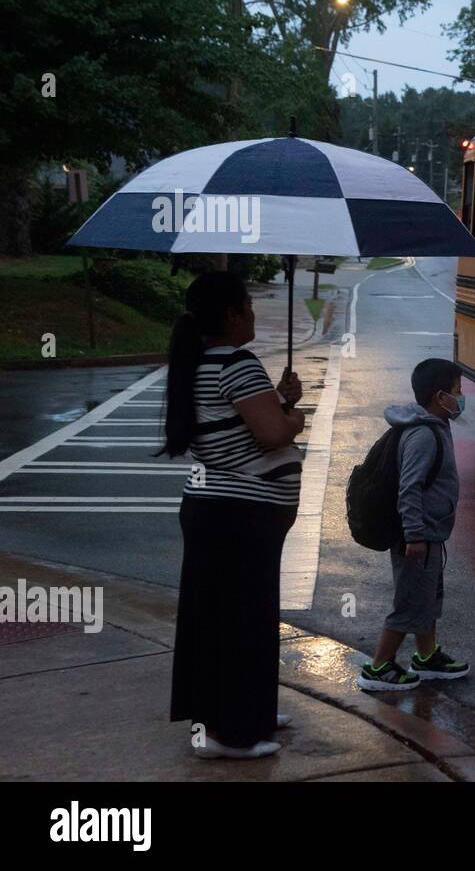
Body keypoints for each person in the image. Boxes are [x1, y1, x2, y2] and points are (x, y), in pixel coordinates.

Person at [165, 271, 306, 759]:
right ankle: (230, 735)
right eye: (248, 305)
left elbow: (243, 425)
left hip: (219, 512)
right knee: (243, 621)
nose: (253, 312)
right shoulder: (238, 363)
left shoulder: (199, 361)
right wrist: (295, 417)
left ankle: (250, 714)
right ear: (230, 314)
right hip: (239, 515)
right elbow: (271, 434)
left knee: (230, 619)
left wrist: (282, 399)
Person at [358, 358, 470, 691]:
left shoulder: (436, 425)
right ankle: (378, 667)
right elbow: (409, 489)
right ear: (439, 397)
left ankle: (426, 656)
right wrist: (415, 536)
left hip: (430, 533)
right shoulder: (422, 435)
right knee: (409, 602)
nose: (461, 397)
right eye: (457, 391)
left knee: (428, 597)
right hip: (417, 536)